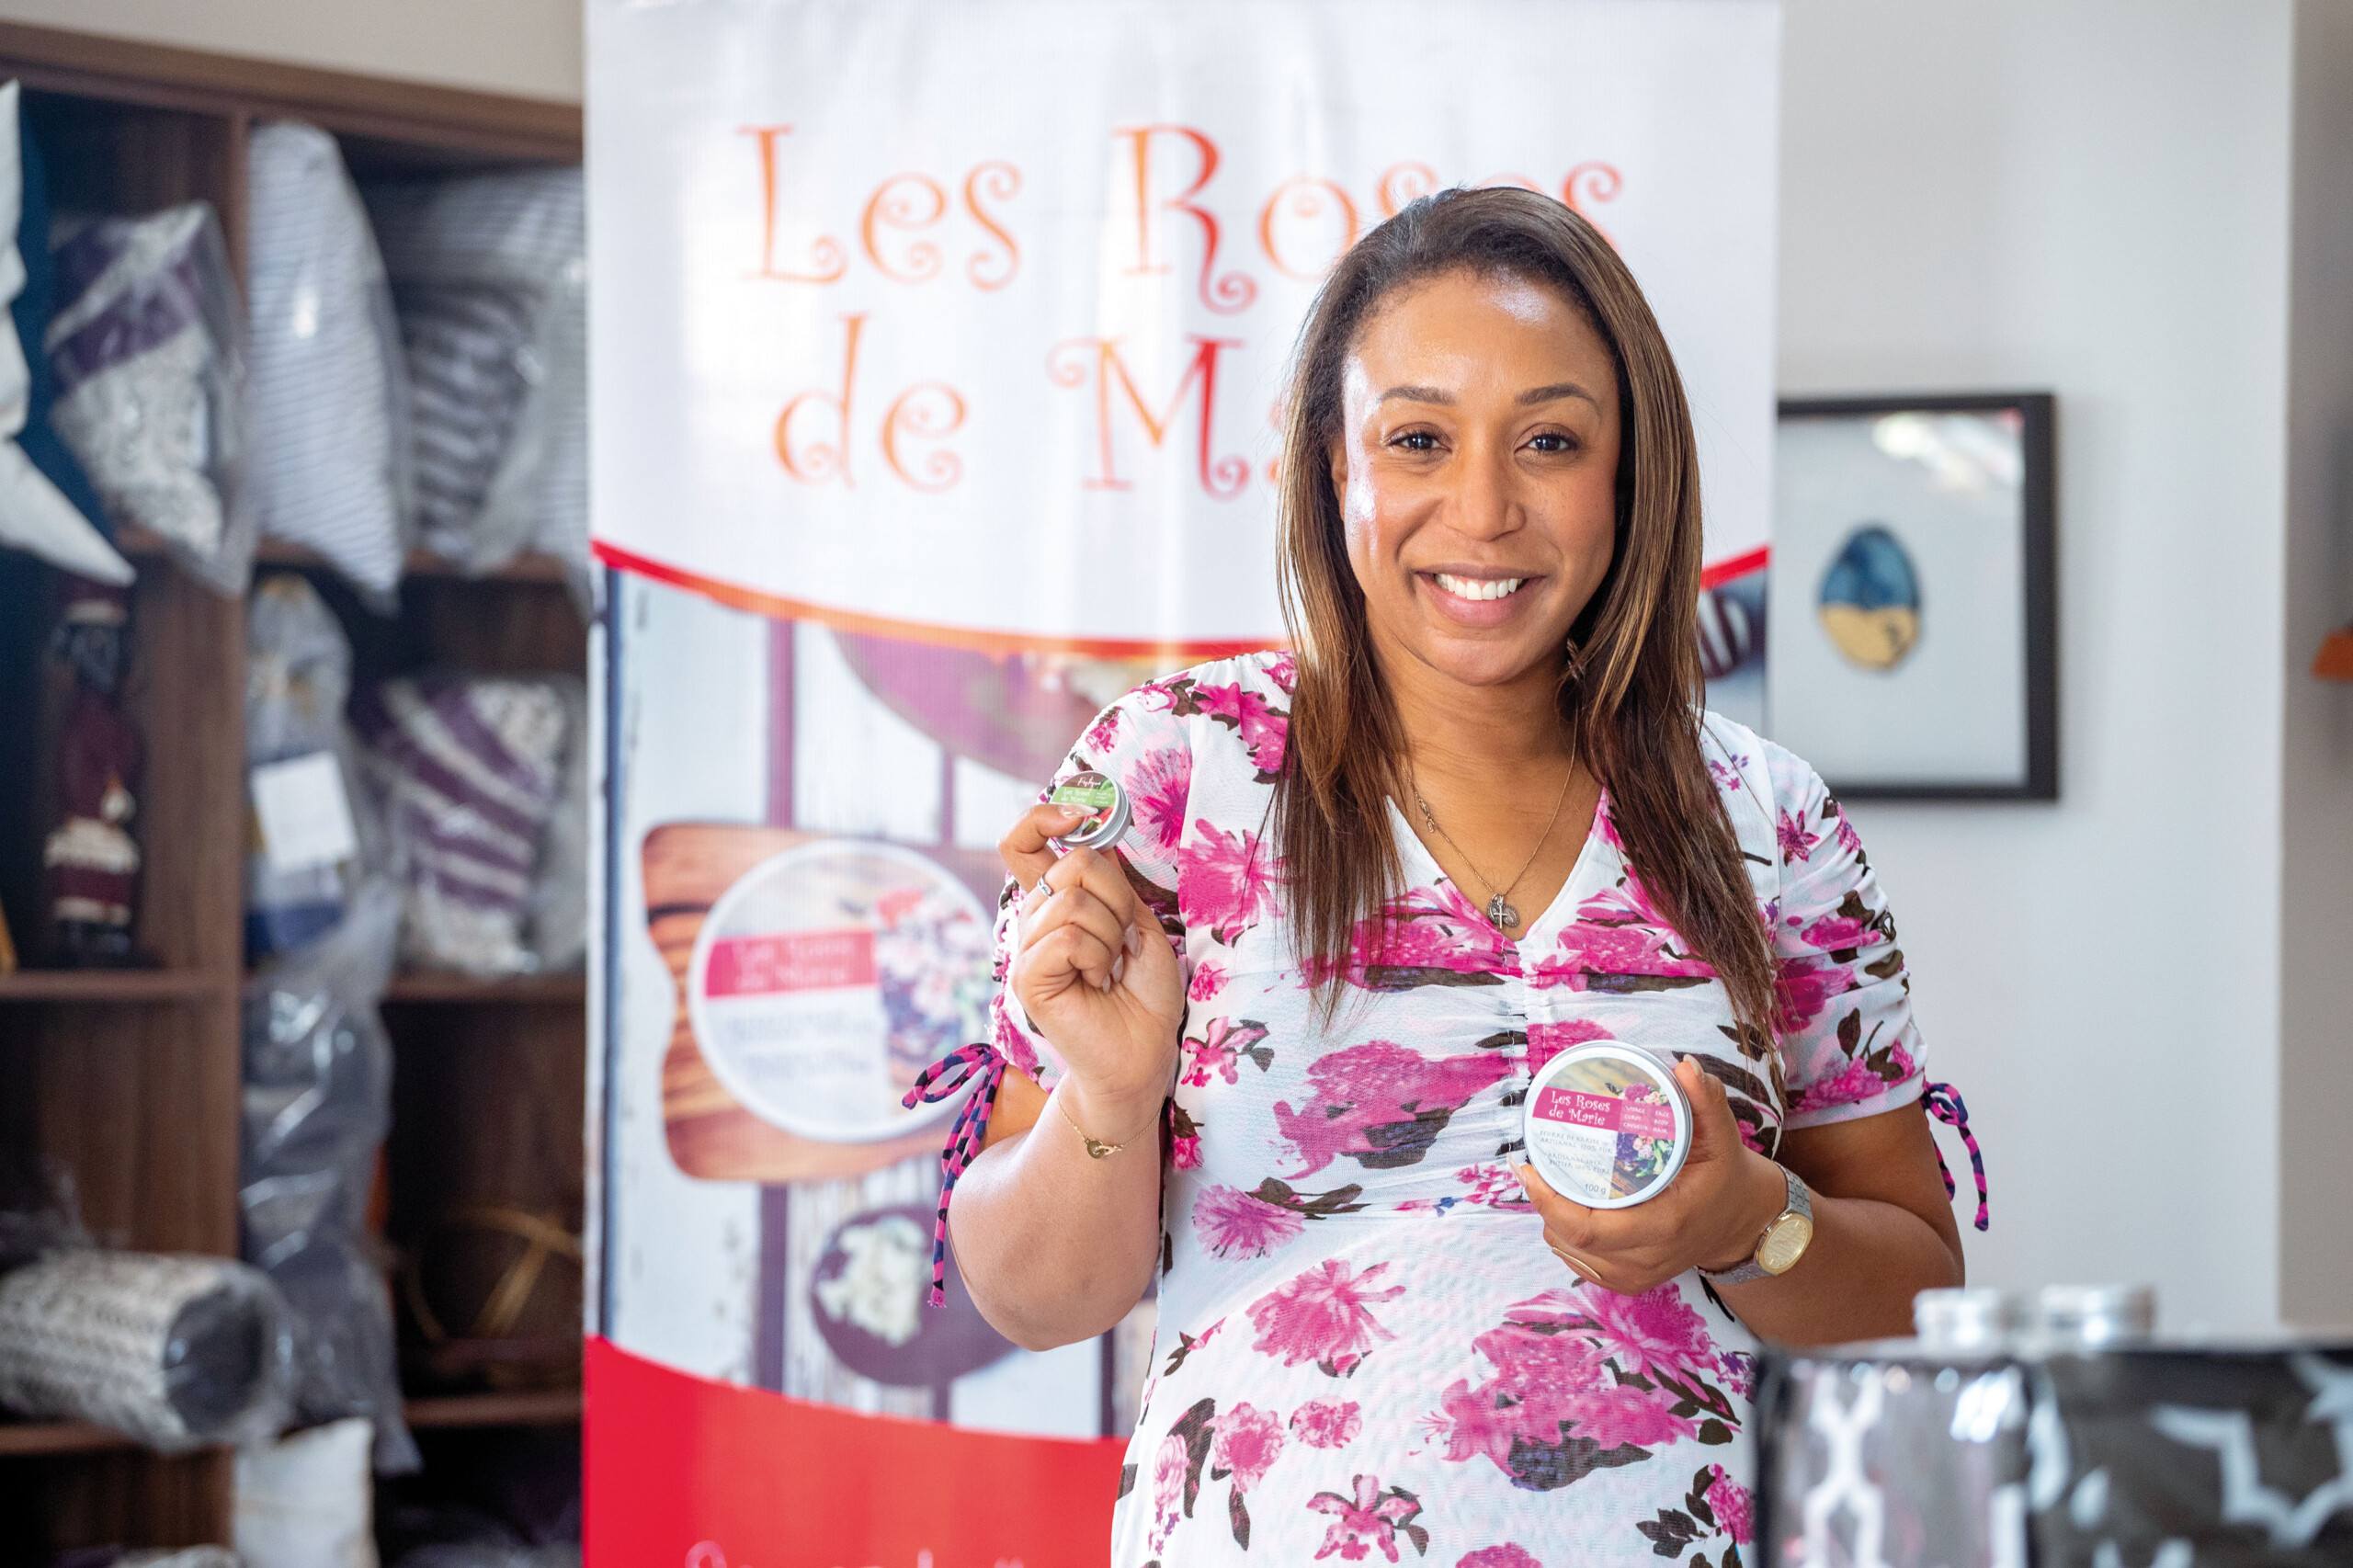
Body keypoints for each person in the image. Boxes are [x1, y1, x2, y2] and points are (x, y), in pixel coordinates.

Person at [928, 187, 1970, 1566]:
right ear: (1334, 464)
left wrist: (1749, 1219)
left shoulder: (1767, 821)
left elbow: (1915, 1292)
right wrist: (1112, 1096)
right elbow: (1035, 1295)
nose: (1483, 510)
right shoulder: (1176, 777)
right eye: (1418, 437)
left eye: (1549, 440)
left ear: (1628, 472)